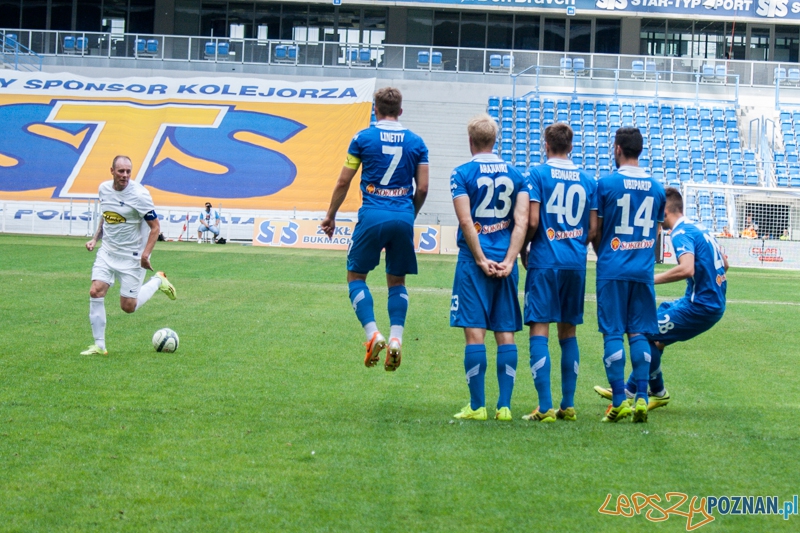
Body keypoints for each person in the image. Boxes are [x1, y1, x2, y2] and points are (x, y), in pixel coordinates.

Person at [321, 87, 429, 371]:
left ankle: (373, 335)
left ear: (375, 109)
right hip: (403, 216)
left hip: (371, 215)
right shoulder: (417, 142)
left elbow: (344, 181)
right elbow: (424, 187)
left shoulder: (362, 138)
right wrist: (410, 213)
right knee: (397, 282)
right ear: (400, 111)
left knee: (356, 276)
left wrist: (330, 215)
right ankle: (396, 338)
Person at [594, 187, 727, 410]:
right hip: (702, 301)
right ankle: (631, 388)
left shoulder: (680, 234)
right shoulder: (698, 228)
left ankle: (657, 391)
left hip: (701, 306)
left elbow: (686, 269)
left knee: (644, 332)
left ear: (664, 210)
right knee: (654, 325)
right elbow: (725, 262)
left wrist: (651, 279)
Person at [449, 114, 530, 421]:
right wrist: (509, 259)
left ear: (471, 141)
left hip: (474, 263)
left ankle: (477, 406)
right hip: (506, 264)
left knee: (475, 335)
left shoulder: (461, 173)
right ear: (495, 140)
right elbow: (522, 221)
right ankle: (505, 407)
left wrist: (482, 259)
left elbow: (466, 220)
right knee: (506, 333)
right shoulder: (517, 175)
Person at [520, 123, 597, 423]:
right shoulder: (588, 180)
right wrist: (575, 245)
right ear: (571, 146)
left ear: (546, 144)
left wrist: (525, 247)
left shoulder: (537, 174)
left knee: (540, 328)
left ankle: (544, 406)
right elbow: (592, 229)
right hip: (575, 263)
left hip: (545, 260)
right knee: (569, 332)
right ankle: (568, 404)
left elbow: (534, 220)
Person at [592, 127, 666, 423]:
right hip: (642, 270)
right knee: (639, 332)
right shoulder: (658, 188)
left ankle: (620, 400)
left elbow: (595, 231)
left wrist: (606, 255)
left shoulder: (606, 184)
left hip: (612, 267)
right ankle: (642, 400)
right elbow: (657, 232)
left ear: (618, 149)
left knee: (612, 332)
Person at [82, 155, 177, 356]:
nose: (125, 175)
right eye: (121, 171)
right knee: (95, 291)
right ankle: (99, 345)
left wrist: (145, 255)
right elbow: (107, 216)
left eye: (128, 171)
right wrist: (94, 239)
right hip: (107, 251)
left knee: (128, 307)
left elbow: (155, 227)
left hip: (132, 257)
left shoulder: (140, 195)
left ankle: (158, 281)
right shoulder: (104, 189)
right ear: (112, 171)